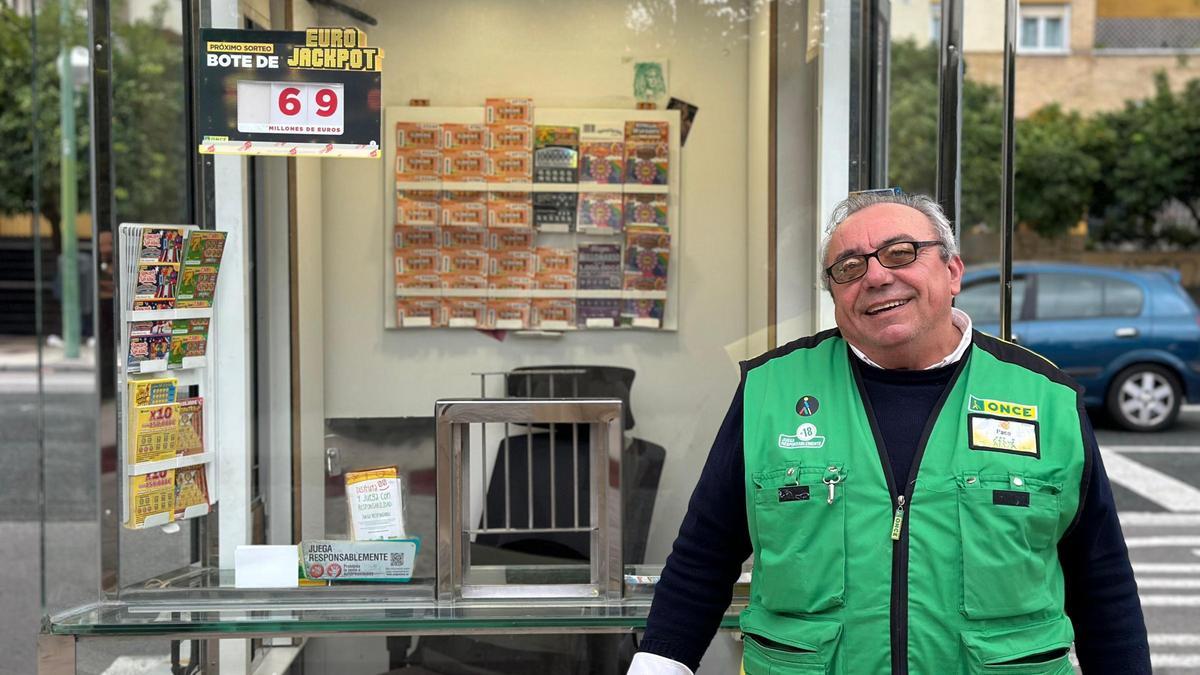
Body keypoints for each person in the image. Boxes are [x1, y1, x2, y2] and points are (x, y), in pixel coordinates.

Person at [629, 192, 1150, 674]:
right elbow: (704, 556)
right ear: (834, 293)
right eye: (849, 267)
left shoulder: (1046, 397)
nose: (876, 277)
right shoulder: (772, 390)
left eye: (900, 253)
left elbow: (1100, 577)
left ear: (952, 271)